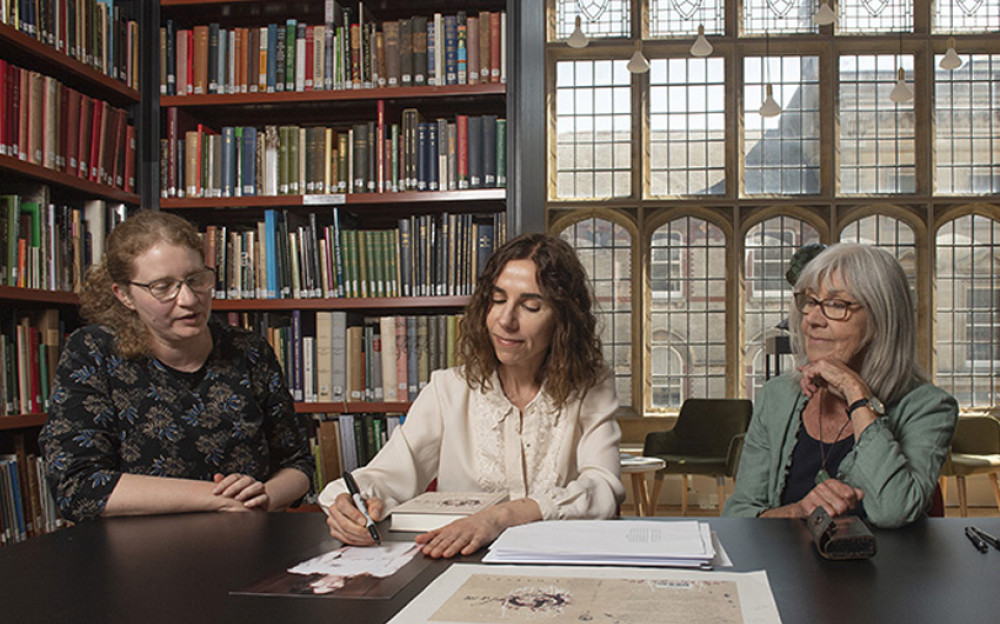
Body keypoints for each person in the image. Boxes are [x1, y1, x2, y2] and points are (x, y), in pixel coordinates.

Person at [320, 233, 625, 557]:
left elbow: (603, 488)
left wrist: (499, 517)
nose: (505, 320)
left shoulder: (592, 386)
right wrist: (350, 506)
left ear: (563, 318)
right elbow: (385, 476)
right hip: (459, 567)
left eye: (530, 306)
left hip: (561, 562)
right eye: (497, 299)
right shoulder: (447, 389)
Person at [39, 210, 313, 523]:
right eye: (163, 286)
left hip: (247, 538)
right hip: (140, 557)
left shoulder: (249, 350)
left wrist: (264, 497)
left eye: (197, 280)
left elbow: (298, 464)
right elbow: (77, 486)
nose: (188, 299)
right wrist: (219, 500)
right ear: (125, 295)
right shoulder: (93, 352)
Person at [724, 242, 957, 528]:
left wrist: (856, 394)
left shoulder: (929, 407)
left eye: (836, 305)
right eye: (809, 301)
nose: (811, 320)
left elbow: (893, 510)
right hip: (785, 570)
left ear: (880, 319)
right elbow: (738, 515)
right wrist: (798, 511)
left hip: (887, 572)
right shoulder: (777, 397)